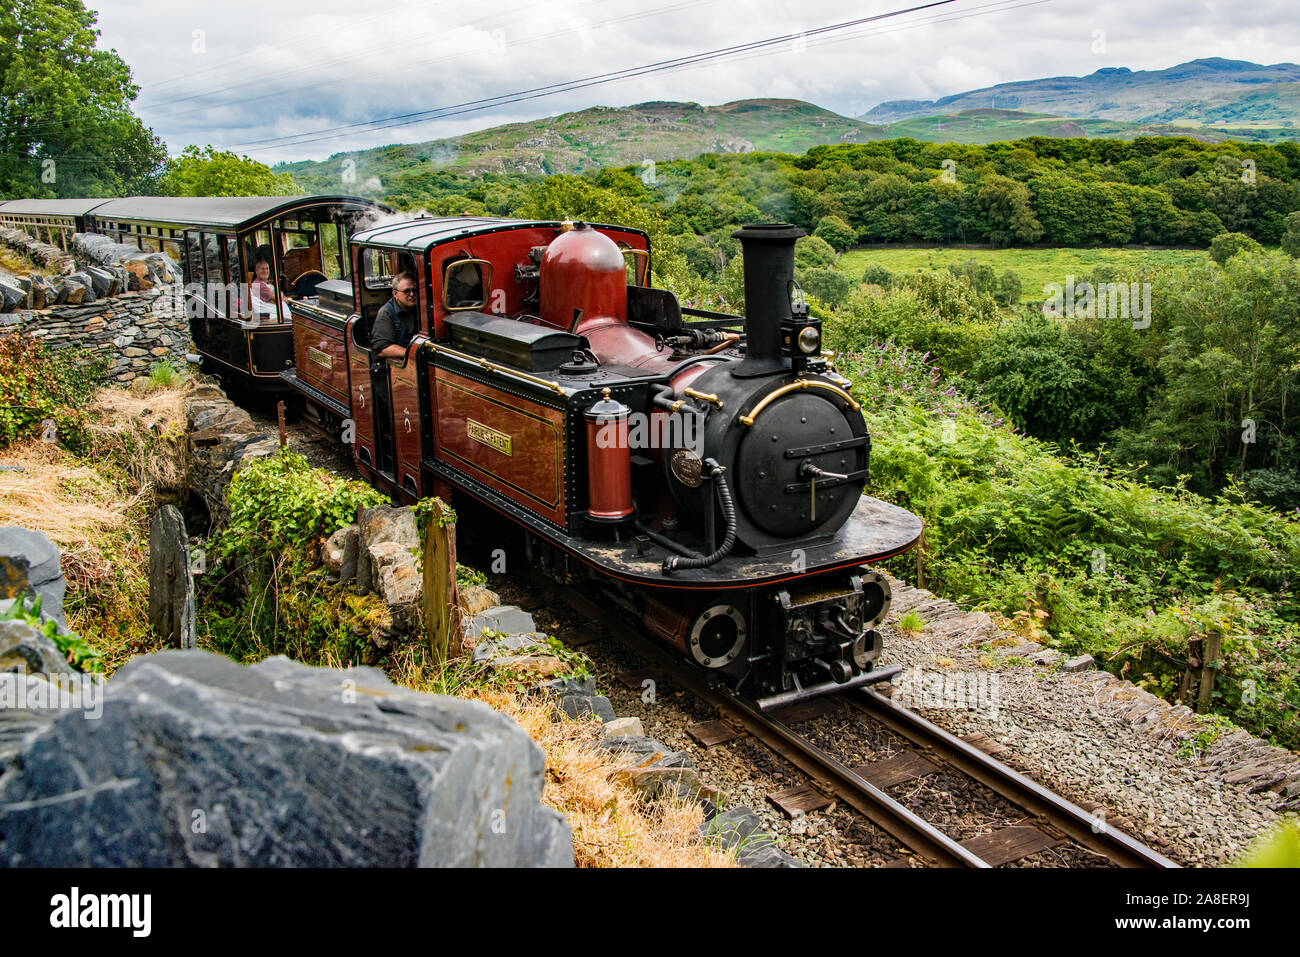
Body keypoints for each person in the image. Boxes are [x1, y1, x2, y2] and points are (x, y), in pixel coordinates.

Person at [370, 271, 419, 362]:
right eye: (406, 291)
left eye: (414, 290)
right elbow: (382, 349)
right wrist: (412, 354)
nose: (412, 294)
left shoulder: (420, 309)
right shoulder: (386, 313)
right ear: (395, 294)